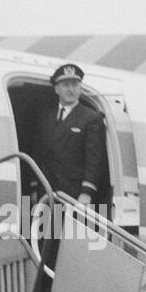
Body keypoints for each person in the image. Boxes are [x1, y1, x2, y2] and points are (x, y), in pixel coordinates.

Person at [37, 64, 108, 206]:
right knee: (44, 228)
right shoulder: (45, 117)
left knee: (69, 229)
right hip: (47, 191)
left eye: (75, 85)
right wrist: (34, 187)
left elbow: (95, 160)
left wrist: (86, 192)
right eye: (66, 85)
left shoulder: (91, 118)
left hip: (73, 195)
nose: (71, 89)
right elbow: (38, 154)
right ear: (57, 89)